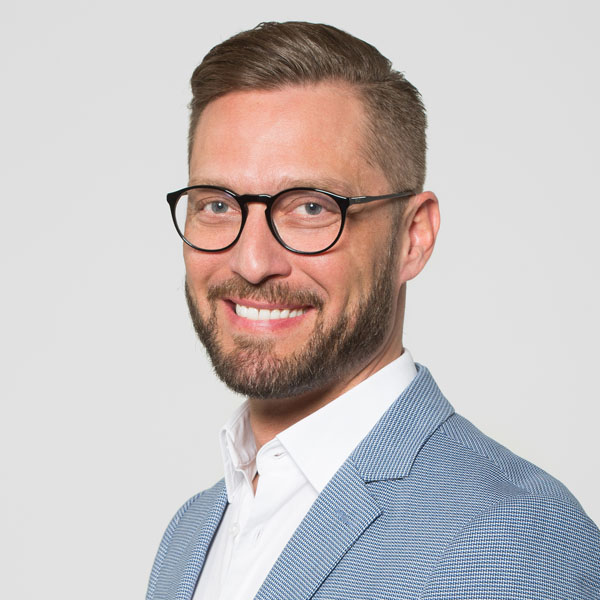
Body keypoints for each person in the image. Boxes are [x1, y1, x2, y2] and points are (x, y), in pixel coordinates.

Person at [147, 21, 600, 600]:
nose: (252, 262)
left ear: (413, 237)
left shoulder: (513, 541)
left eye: (311, 207)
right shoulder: (191, 533)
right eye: (216, 204)